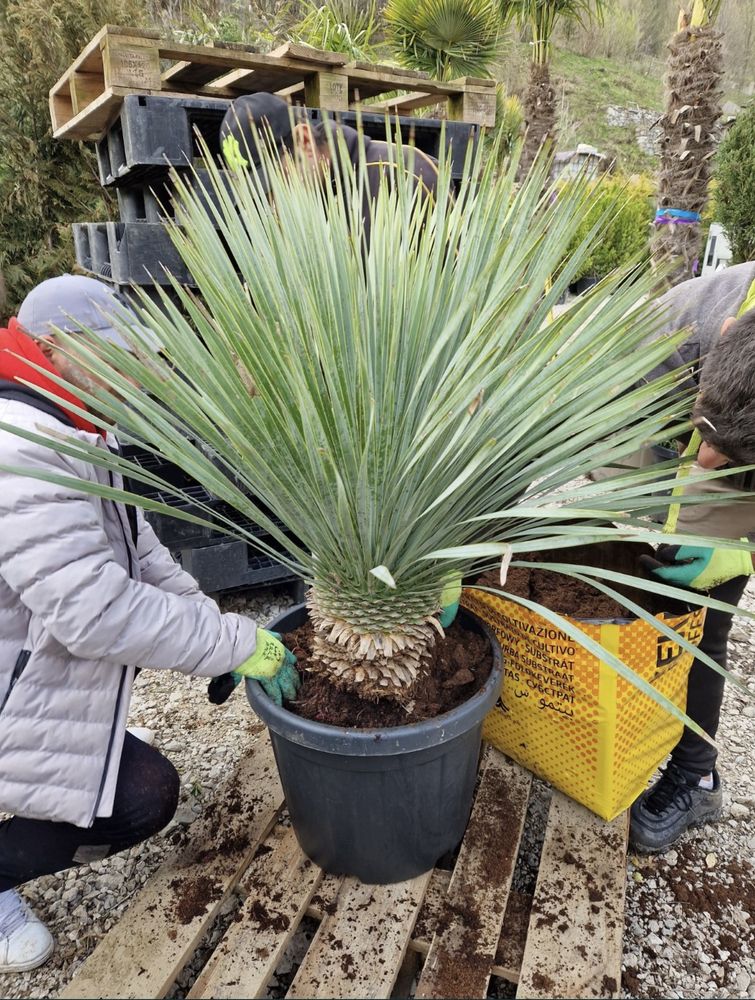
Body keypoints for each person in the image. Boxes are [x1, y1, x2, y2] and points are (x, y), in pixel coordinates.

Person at [0, 274, 299, 972]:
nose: (134, 373)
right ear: (54, 347)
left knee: (105, 764)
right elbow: (96, 612)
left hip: (20, 667)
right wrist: (235, 641)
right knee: (138, 800)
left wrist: (217, 635)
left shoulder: (70, 421)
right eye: (118, 356)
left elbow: (142, 560)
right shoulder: (20, 450)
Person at [626, 260, 755, 853]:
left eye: (721, 454)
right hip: (665, 405)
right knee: (639, 573)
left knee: (703, 618)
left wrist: (735, 550)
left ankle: (696, 775)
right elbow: (624, 451)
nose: (706, 462)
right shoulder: (675, 330)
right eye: (706, 438)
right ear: (730, 331)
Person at [218, 92, 441, 243]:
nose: (273, 203)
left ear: (304, 141)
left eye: (275, 181)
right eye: (263, 194)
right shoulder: (294, 217)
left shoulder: (406, 176)